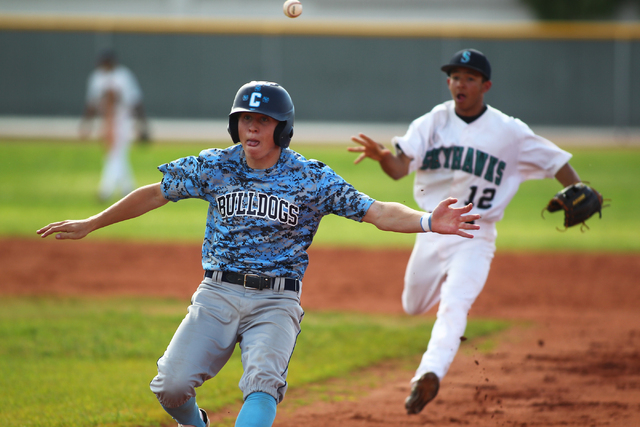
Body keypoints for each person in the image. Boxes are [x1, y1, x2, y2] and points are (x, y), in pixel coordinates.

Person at [38, 81, 481, 427]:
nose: (252, 127)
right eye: (245, 119)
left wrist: (427, 220)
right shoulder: (216, 165)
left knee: (262, 384)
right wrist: (92, 223)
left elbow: (376, 211)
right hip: (216, 293)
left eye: (263, 120)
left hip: (276, 300)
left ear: (282, 129)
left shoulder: (310, 178)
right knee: (171, 388)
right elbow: (155, 194)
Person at [348, 49, 583, 416]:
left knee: (454, 305)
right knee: (412, 305)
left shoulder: (510, 131)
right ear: (448, 83)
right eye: (456, 77)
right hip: (430, 228)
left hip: (475, 235)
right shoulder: (433, 122)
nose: (461, 83)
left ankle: (429, 372)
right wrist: (382, 157)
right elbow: (398, 170)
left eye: (470, 78)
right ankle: (445, 304)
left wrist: (578, 189)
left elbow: (558, 163)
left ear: (485, 86)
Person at [79, 48, 150, 202]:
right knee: (116, 155)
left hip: (123, 119)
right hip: (106, 119)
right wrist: (87, 124)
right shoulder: (97, 77)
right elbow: (91, 104)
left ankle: (105, 190)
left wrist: (141, 124)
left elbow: (135, 101)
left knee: (115, 154)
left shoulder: (123, 76)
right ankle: (128, 189)